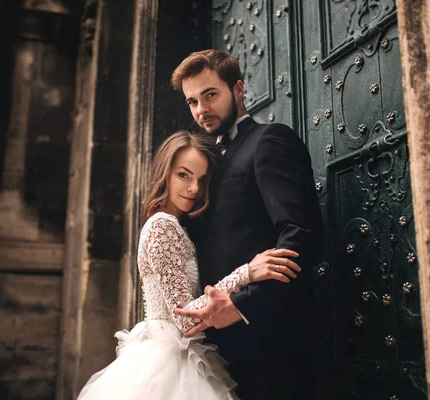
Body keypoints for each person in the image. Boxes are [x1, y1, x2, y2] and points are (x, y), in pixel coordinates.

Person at [77, 130, 303, 400]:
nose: (194, 188)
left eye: (202, 179)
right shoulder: (162, 225)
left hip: (183, 354)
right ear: (165, 173)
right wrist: (246, 272)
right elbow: (184, 319)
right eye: (183, 175)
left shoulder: (179, 226)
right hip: (167, 362)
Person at [171, 50, 323, 399]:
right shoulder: (204, 164)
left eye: (210, 95)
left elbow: (301, 233)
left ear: (238, 89)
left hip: (271, 339)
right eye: (192, 101)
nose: (201, 110)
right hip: (214, 348)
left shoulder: (268, 140)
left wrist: (243, 305)